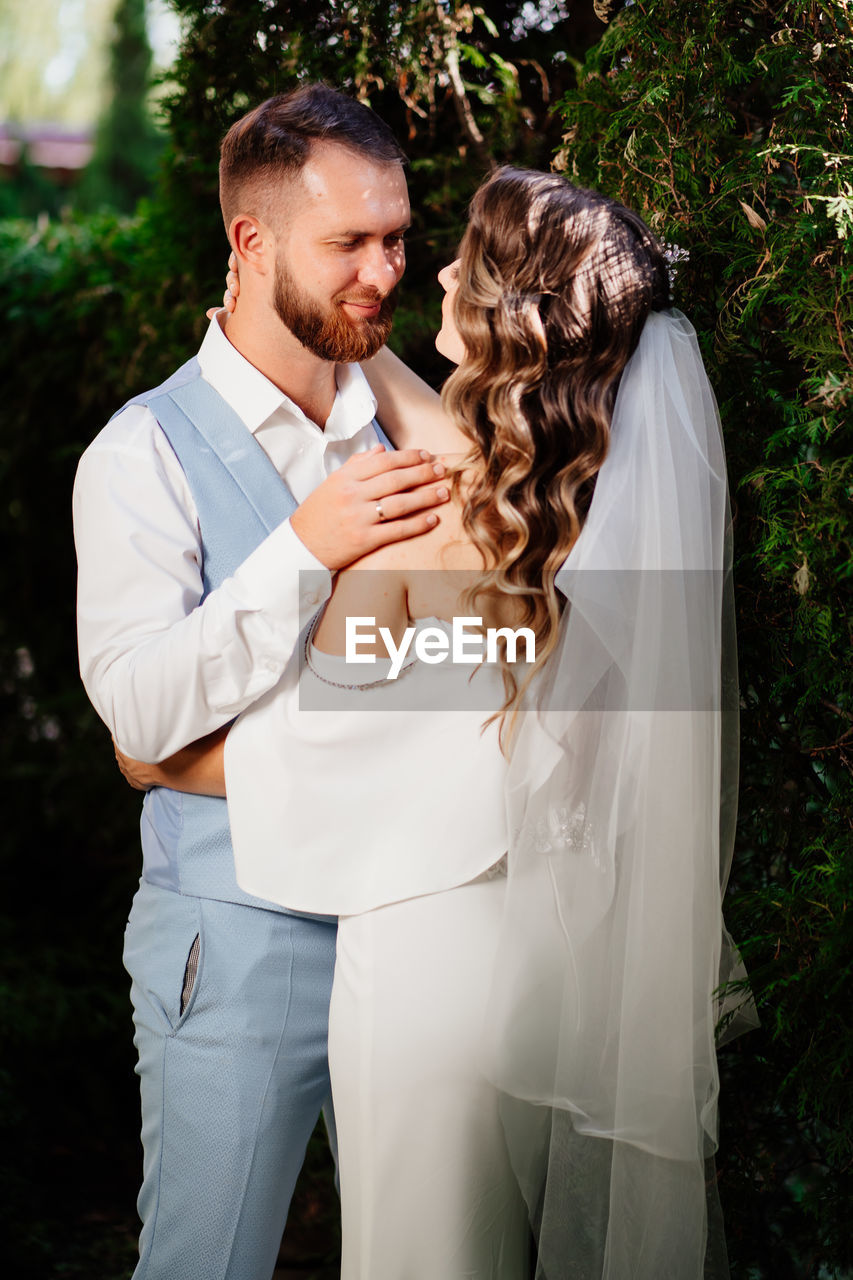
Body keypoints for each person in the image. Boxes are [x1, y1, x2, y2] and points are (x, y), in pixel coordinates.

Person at [123, 166, 750, 1277]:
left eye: (468, 258)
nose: (440, 271)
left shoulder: (421, 538)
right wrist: (349, 341)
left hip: (423, 965)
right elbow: (446, 452)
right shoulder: (579, 513)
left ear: (513, 317)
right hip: (542, 957)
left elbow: (330, 742)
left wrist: (164, 759)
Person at [73, 84, 457, 1280]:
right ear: (250, 240)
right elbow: (138, 719)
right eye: (348, 243)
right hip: (237, 942)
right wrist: (305, 546)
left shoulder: (407, 426)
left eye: (395, 236)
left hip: (424, 930)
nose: (385, 272)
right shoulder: (140, 454)